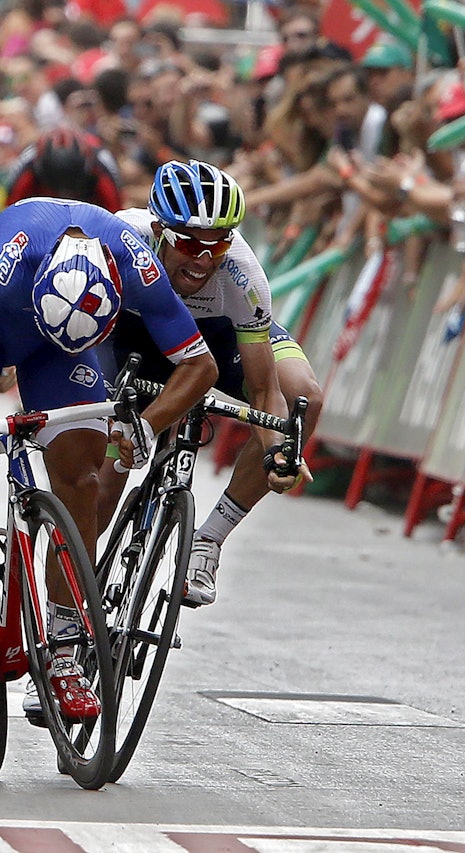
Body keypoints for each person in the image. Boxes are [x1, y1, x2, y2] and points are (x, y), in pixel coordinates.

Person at [0, 197, 218, 720]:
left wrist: (146, 424)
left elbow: (199, 365)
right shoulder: (4, 267)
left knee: (80, 478)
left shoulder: (133, 262)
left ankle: (64, 655)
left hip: (66, 345)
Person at [99, 160, 322, 606]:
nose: (203, 258)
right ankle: (71, 607)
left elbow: (264, 392)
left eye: (217, 244)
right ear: (159, 229)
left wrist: (280, 451)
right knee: (104, 483)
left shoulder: (242, 273)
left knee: (304, 396)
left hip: (217, 338)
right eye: (188, 242)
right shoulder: (121, 240)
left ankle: (209, 540)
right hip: (132, 338)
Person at [4, 126, 124, 209]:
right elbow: (10, 212)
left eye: (69, 189)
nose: (64, 195)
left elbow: (117, 214)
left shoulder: (102, 165)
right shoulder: (26, 165)